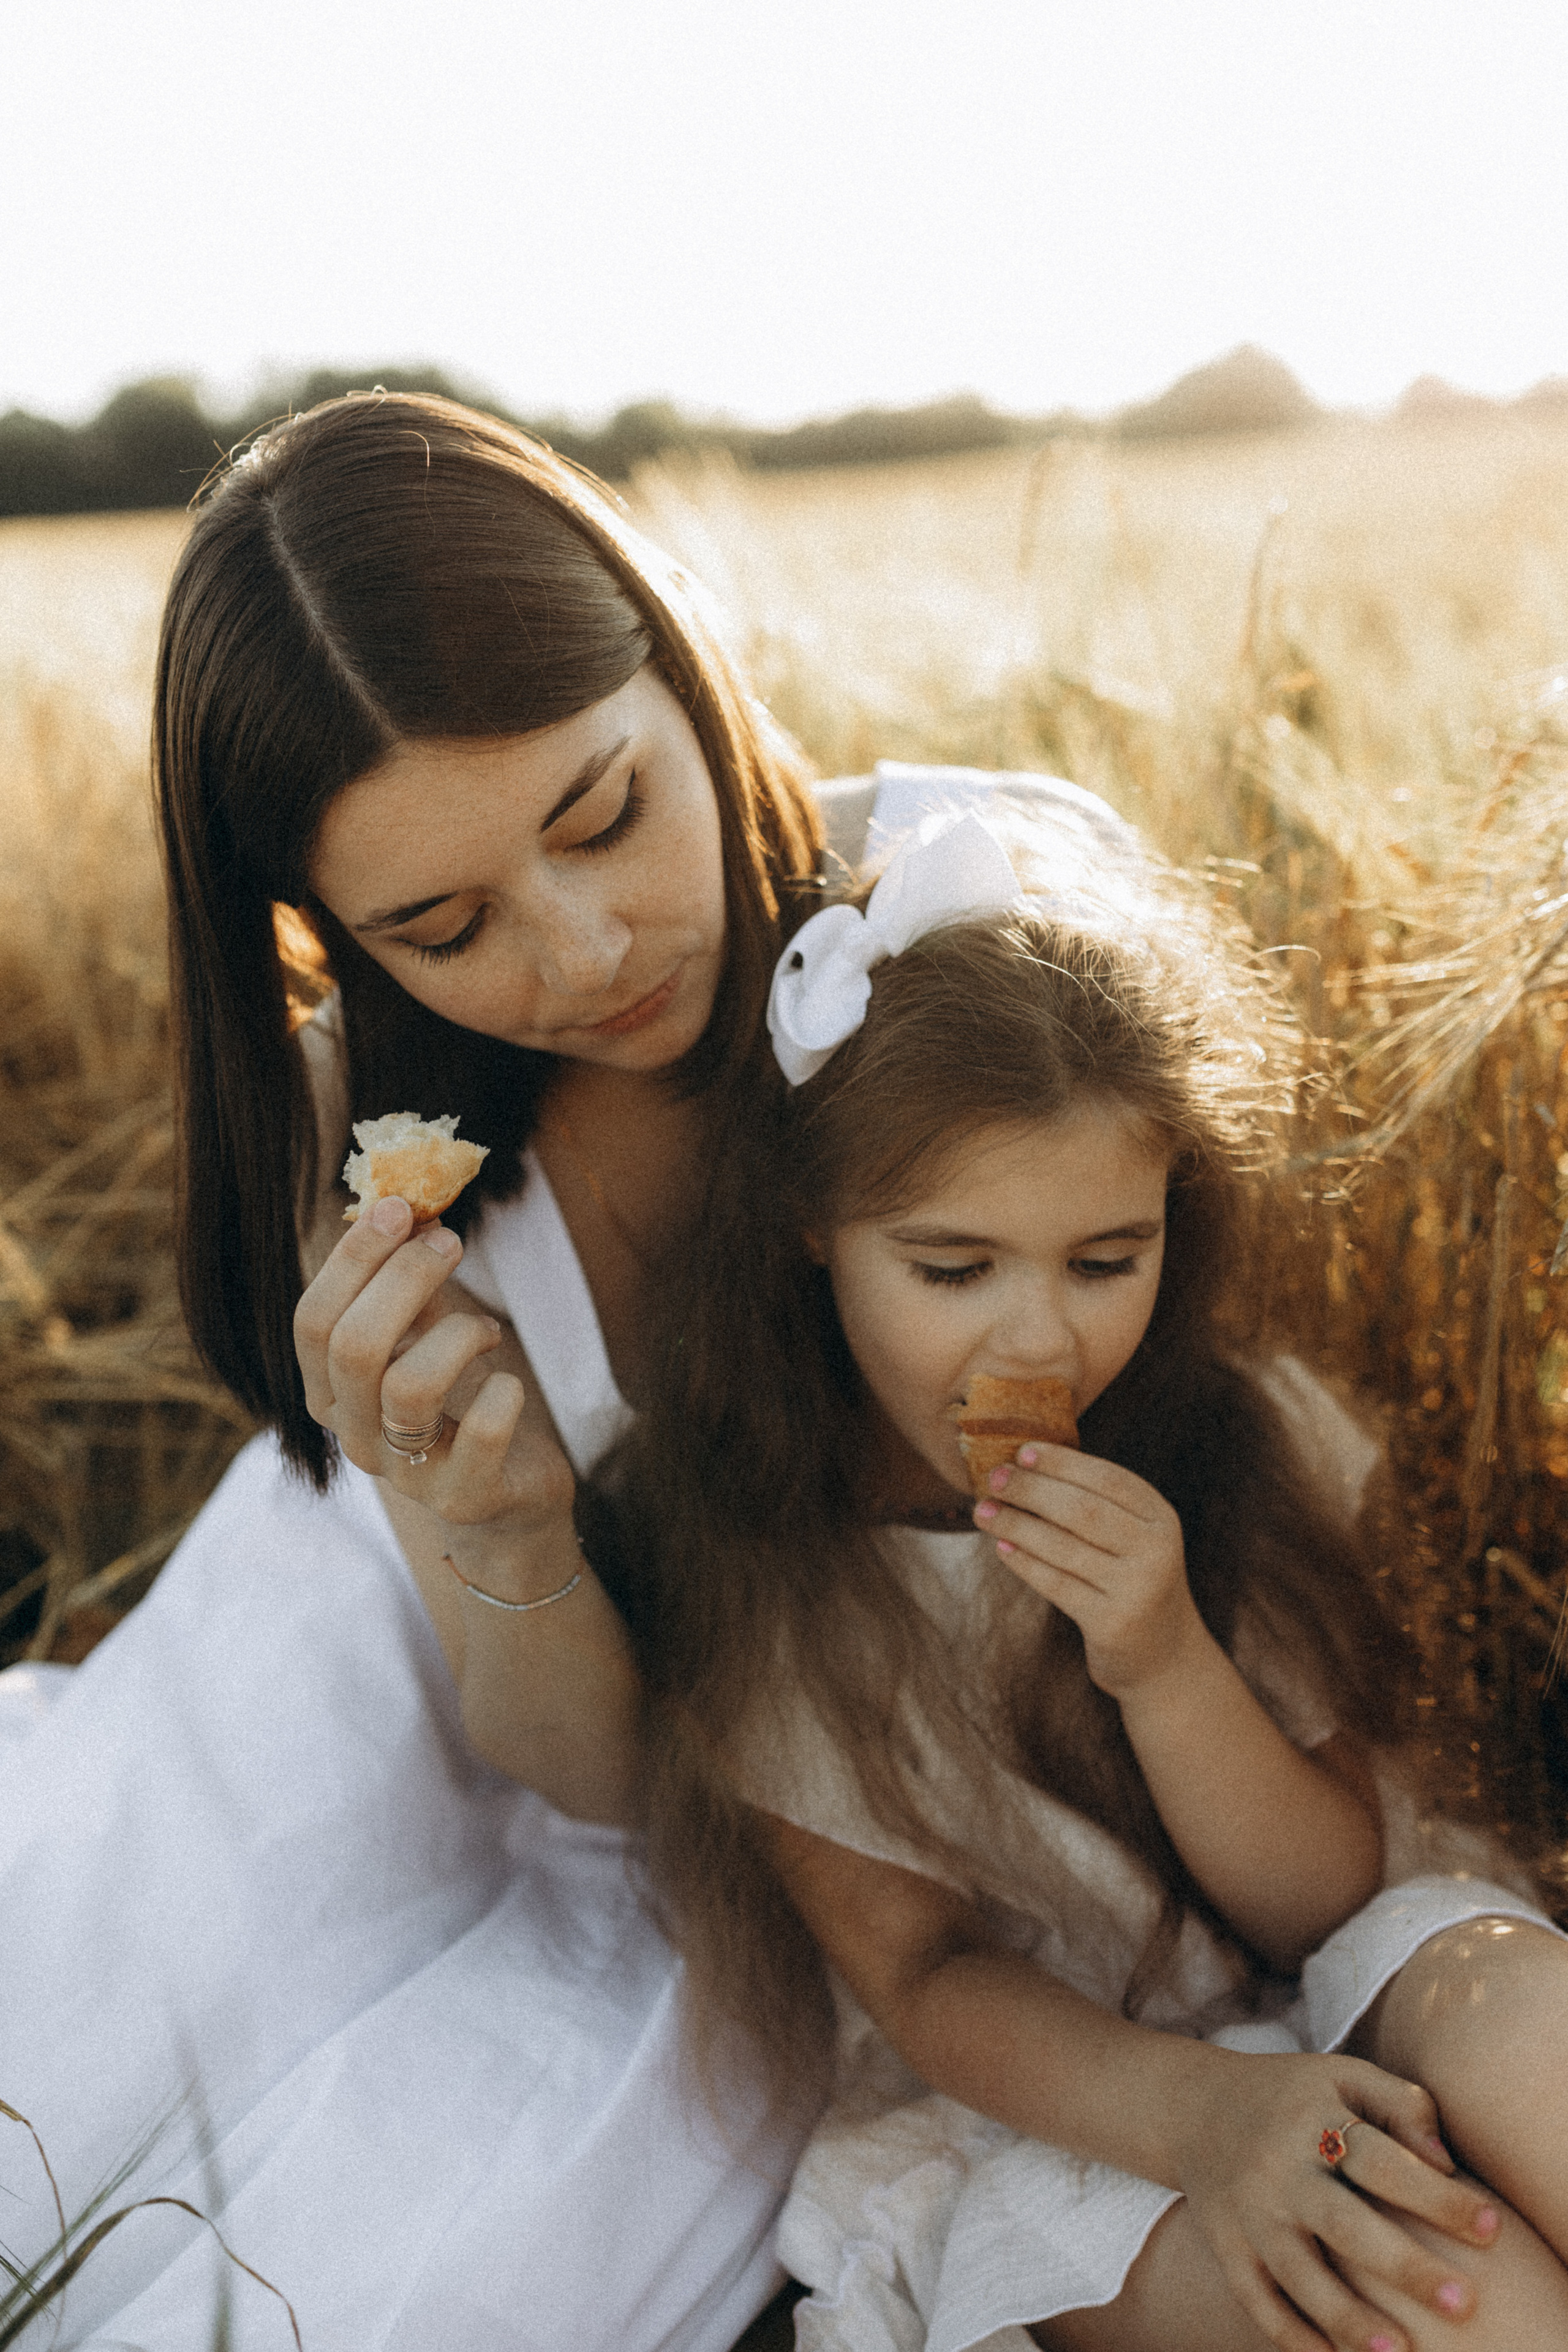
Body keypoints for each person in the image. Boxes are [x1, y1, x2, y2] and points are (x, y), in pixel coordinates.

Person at [0, 389, 1144, 2350]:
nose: (587, 948)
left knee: (409, 2264)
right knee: (65, 2016)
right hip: (326, 1672)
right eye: (442, 927)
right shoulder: (361, 1129)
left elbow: (628, 1809)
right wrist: (498, 1529)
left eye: (606, 812)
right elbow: (526, 1723)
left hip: (696, 1824)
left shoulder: (979, 904)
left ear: (675, 657)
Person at [603, 811, 1568, 2352]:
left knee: (1532, 2045)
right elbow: (924, 1976)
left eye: (1103, 1260)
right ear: (810, 1228)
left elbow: (1323, 1903)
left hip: (1338, 1965)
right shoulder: (762, 1567)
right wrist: (1213, 2119)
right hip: (1082, 2114)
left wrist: (1163, 1659)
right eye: (952, 1269)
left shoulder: (1227, 1443)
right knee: (1456, 2301)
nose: (1038, 1340)